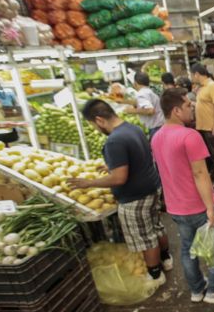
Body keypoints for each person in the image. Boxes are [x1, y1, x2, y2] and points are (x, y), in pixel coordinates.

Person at [70, 100, 172, 287]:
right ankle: (166, 259)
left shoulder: (114, 140)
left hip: (135, 197)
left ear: (99, 120)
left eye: (93, 125)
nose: (95, 129)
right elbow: (136, 158)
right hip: (151, 188)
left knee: (145, 238)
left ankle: (155, 275)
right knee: (156, 228)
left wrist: (88, 183)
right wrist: (111, 165)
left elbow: (118, 178)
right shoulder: (132, 128)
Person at [151, 88, 214, 304]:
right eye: (188, 105)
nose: (192, 107)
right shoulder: (190, 136)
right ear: (176, 110)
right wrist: (210, 207)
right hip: (197, 205)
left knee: (188, 249)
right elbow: (200, 173)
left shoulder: (156, 137)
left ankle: (197, 289)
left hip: (175, 206)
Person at [191, 64, 214, 188]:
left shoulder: (212, 86)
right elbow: (203, 104)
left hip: (211, 125)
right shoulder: (202, 87)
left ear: (197, 74)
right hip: (203, 126)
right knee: (210, 153)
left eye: (192, 75)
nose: (192, 78)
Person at [123, 72, 165, 140]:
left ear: (135, 83)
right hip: (160, 126)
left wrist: (131, 111)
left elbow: (150, 110)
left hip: (155, 129)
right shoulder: (148, 92)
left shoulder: (141, 94)